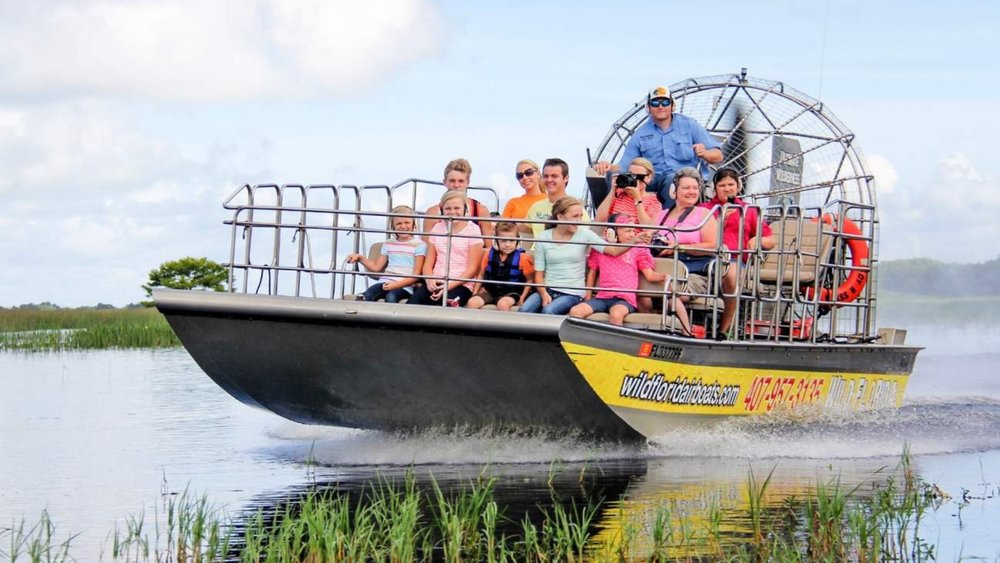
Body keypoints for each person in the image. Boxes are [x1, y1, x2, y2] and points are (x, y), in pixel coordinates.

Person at [593, 86, 723, 207]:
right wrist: (608, 167)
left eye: (665, 102)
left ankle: (671, 224)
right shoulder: (640, 134)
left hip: (682, 180)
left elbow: (718, 156)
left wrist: (705, 153)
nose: (660, 106)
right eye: (655, 103)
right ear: (648, 108)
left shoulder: (690, 125)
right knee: (617, 177)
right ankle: (615, 222)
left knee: (673, 180)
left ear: (672, 105)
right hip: (650, 180)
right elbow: (624, 165)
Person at [569, 215, 690, 331]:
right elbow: (592, 272)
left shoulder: (638, 248)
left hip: (624, 300)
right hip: (602, 298)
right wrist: (588, 297)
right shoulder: (601, 249)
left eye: (633, 231)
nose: (632, 234)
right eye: (628, 231)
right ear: (612, 232)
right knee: (576, 311)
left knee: (616, 314)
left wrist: (664, 277)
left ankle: (616, 348)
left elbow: (649, 275)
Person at [651, 168, 731, 336]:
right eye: (686, 188)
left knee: (672, 294)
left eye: (695, 188)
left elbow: (712, 246)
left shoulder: (704, 214)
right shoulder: (662, 215)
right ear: (674, 191)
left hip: (692, 272)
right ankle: (648, 328)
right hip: (660, 269)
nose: (692, 192)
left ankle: (687, 334)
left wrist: (678, 247)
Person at [698, 168, 776, 334]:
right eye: (722, 185)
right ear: (715, 188)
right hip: (705, 255)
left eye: (731, 184)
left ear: (738, 186)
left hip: (733, 257)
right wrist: (721, 219)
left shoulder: (749, 210)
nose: (727, 189)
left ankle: (724, 328)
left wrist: (758, 240)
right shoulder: (705, 209)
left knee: (731, 276)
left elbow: (771, 241)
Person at [519, 196, 624, 315]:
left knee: (548, 311)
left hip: (573, 293)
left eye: (580, 216)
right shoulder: (543, 237)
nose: (579, 221)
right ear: (559, 216)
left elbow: (614, 251)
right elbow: (539, 275)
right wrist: (544, 294)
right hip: (548, 289)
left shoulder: (585, 234)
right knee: (524, 310)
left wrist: (635, 240)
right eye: (575, 216)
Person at [409, 190, 484, 306]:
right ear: (442, 210)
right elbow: (428, 264)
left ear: (465, 209)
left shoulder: (473, 230)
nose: (452, 212)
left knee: (444, 303)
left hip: (461, 285)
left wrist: (448, 285)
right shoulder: (437, 228)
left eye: (457, 208)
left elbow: (473, 269)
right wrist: (429, 281)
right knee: (413, 303)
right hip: (436, 281)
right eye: (448, 208)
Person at [346, 206, 427, 303]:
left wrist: (397, 285)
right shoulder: (388, 243)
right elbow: (376, 267)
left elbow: (416, 275)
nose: (403, 226)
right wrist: (360, 258)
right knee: (368, 294)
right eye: (398, 223)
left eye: (407, 223)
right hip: (385, 281)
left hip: (405, 286)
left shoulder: (419, 245)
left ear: (414, 225)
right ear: (393, 226)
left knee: (391, 297)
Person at [466, 222, 535, 311]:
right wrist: (475, 293)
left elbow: (530, 279)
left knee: (502, 304)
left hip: (512, 293)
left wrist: (522, 297)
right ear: (495, 241)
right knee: (472, 303)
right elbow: (481, 275)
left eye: (511, 241)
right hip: (490, 291)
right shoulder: (488, 254)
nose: (507, 244)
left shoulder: (523, 258)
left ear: (518, 241)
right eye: (503, 241)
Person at [422, 158, 493, 241]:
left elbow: (488, 247)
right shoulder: (432, 213)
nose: (456, 185)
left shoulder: (480, 210)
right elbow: (426, 246)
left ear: (468, 182)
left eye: (461, 181)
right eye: (452, 181)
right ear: (445, 182)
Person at [523, 158, 583, 239]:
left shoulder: (577, 209)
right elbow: (523, 231)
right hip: (535, 251)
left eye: (554, 176)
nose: (549, 180)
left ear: (566, 178)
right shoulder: (535, 207)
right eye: (546, 176)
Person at [594, 157, 663, 227]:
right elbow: (599, 219)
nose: (634, 179)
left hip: (634, 236)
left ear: (648, 178)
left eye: (638, 177)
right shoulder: (619, 193)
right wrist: (613, 190)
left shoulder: (654, 202)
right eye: (630, 175)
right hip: (611, 235)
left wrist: (637, 198)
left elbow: (648, 228)